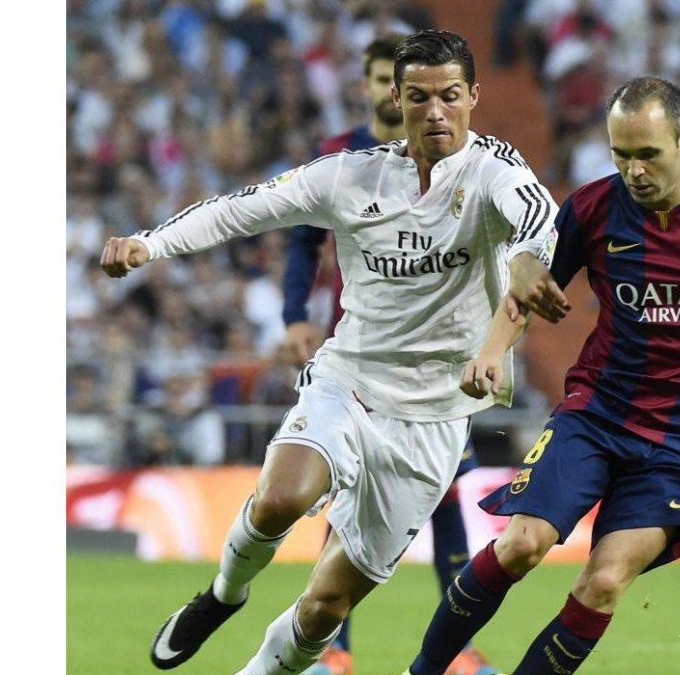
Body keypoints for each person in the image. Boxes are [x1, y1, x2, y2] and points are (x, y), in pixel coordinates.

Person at [99, 29, 570, 675]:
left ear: (473, 96)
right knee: (280, 499)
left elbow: (541, 224)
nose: (436, 111)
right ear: (397, 101)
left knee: (323, 607)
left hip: (434, 416)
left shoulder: (495, 171)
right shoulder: (351, 175)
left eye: (451, 96)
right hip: (350, 380)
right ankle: (222, 594)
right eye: (420, 97)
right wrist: (149, 245)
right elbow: (242, 210)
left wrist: (524, 269)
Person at [402, 76, 680, 675]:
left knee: (605, 582)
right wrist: (491, 350)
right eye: (621, 154)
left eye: (648, 154)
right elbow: (533, 287)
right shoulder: (592, 208)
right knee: (521, 544)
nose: (633, 171)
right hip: (597, 413)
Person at [281, 34, 497, 675]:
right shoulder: (339, 158)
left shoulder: (459, 155)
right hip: (361, 356)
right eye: (380, 80)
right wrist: (297, 314)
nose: (385, 91)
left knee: (451, 492)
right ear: (377, 87)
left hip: (436, 360)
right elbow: (301, 242)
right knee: (348, 491)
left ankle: (457, 653)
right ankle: (334, 651)